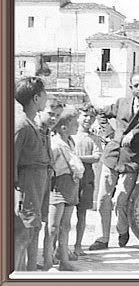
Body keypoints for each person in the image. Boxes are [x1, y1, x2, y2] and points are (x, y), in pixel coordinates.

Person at [89, 73, 139, 251]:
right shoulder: (121, 103)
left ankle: (123, 231)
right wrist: (109, 134)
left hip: (132, 158)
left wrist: (137, 134)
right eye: (136, 85)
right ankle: (103, 238)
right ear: (131, 87)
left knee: (120, 200)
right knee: (102, 199)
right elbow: (102, 113)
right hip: (112, 155)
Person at [14, 76, 49, 271]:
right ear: (36, 98)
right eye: (44, 94)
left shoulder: (32, 124)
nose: (46, 98)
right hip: (25, 189)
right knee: (20, 237)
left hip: (34, 188)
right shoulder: (22, 126)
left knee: (26, 237)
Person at [48, 106, 85, 271]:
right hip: (59, 186)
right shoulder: (55, 144)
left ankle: (63, 260)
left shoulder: (70, 141)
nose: (78, 125)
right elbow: (50, 167)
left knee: (66, 225)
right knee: (53, 227)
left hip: (71, 185)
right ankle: (48, 262)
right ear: (63, 127)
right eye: (74, 123)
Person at [33, 97, 64, 271]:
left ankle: (33, 264)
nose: (54, 119)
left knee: (38, 224)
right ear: (40, 111)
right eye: (51, 114)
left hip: (44, 182)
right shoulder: (33, 129)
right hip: (32, 183)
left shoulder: (46, 132)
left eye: (57, 116)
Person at [72, 104, 102, 257]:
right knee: (64, 214)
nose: (88, 119)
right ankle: (59, 247)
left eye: (91, 116)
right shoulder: (71, 136)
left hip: (87, 178)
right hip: (70, 178)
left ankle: (78, 245)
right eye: (85, 115)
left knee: (82, 214)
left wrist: (77, 158)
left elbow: (96, 157)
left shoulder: (94, 138)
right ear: (78, 116)